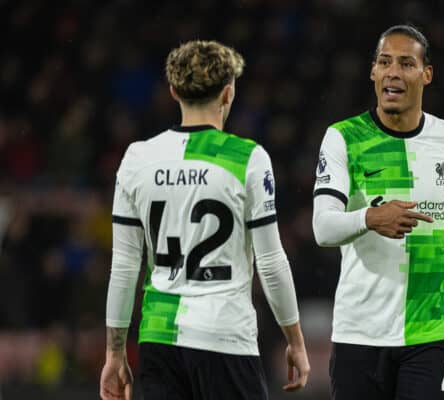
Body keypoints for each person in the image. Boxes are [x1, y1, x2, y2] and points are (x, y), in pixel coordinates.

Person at [312, 24, 444, 400]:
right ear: (373, 71)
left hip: (432, 328)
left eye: (406, 63)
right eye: (385, 62)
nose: (393, 71)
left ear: (426, 74)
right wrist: (371, 218)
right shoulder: (343, 137)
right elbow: (323, 228)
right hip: (360, 330)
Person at [100, 40, 310, 400]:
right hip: (224, 337)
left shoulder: (138, 158)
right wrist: (295, 341)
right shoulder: (248, 158)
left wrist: (115, 352)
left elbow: (124, 266)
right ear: (228, 94)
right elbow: (272, 263)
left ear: (173, 92)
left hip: (159, 339)